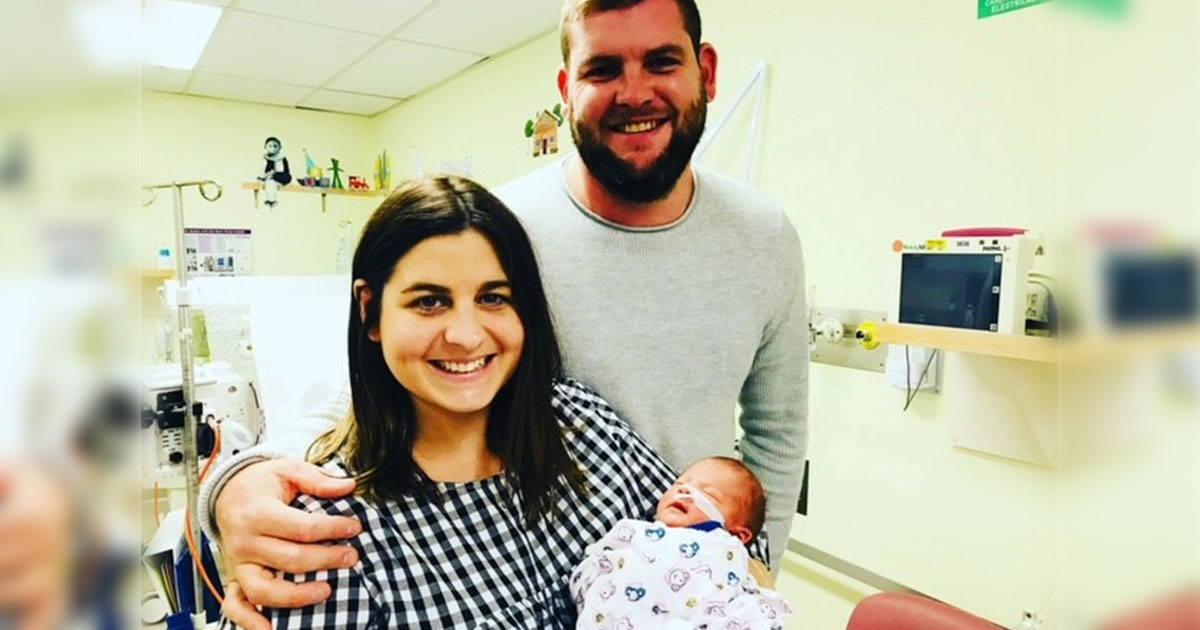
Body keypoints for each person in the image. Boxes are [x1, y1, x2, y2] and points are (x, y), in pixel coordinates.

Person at [204, 0, 808, 626]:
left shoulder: (763, 238)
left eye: (661, 62)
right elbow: (378, 380)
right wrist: (241, 480)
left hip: (685, 548)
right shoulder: (501, 227)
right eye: (602, 69)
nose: (635, 93)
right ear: (566, 87)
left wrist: (741, 577)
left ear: (705, 71)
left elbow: (778, 435)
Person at [227, 175, 745, 628]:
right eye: (429, 301)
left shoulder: (586, 426)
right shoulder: (325, 532)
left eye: (493, 298)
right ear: (371, 313)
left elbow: (731, 541)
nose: (467, 335)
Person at [570, 457, 792, 629]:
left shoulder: (723, 548)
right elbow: (601, 561)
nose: (685, 490)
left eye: (708, 493)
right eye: (679, 484)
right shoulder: (638, 531)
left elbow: (732, 602)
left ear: (739, 536)